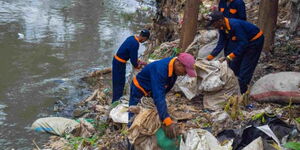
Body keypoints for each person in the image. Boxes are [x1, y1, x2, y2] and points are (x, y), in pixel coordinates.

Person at [129, 53, 197, 138]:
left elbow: (164, 90)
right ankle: (130, 138)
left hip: (151, 90)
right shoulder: (161, 70)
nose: (185, 74)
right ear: (179, 64)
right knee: (133, 115)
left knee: (156, 110)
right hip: (139, 89)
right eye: (185, 71)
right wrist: (167, 120)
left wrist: (163, 113)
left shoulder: (173, 65)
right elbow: (159, 95)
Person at [206, 11, 264, 94]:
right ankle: (234, 87)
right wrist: (209, 58)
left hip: (254, 41)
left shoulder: (235, 25)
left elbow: (244, 43)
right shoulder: (222, 28)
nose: (213, 26)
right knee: (233, 66)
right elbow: (221, 43)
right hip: (243, 41)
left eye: (213, 24)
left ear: (220, 21)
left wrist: (230, 57)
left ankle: (242, 93)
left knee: (245, 68)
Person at [112, 30, 150, 103]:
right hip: (119, 63)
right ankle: (116, 101)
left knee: (117, 81)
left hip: (117, 61)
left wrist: (137, 61)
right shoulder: (135, 44)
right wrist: (138, 65)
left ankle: (116, 97)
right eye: (145, 40)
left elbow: (131, 54)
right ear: (144, 38)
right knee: (119, 82)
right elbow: (133, 61)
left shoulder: (131, 38)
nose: (144, 41)